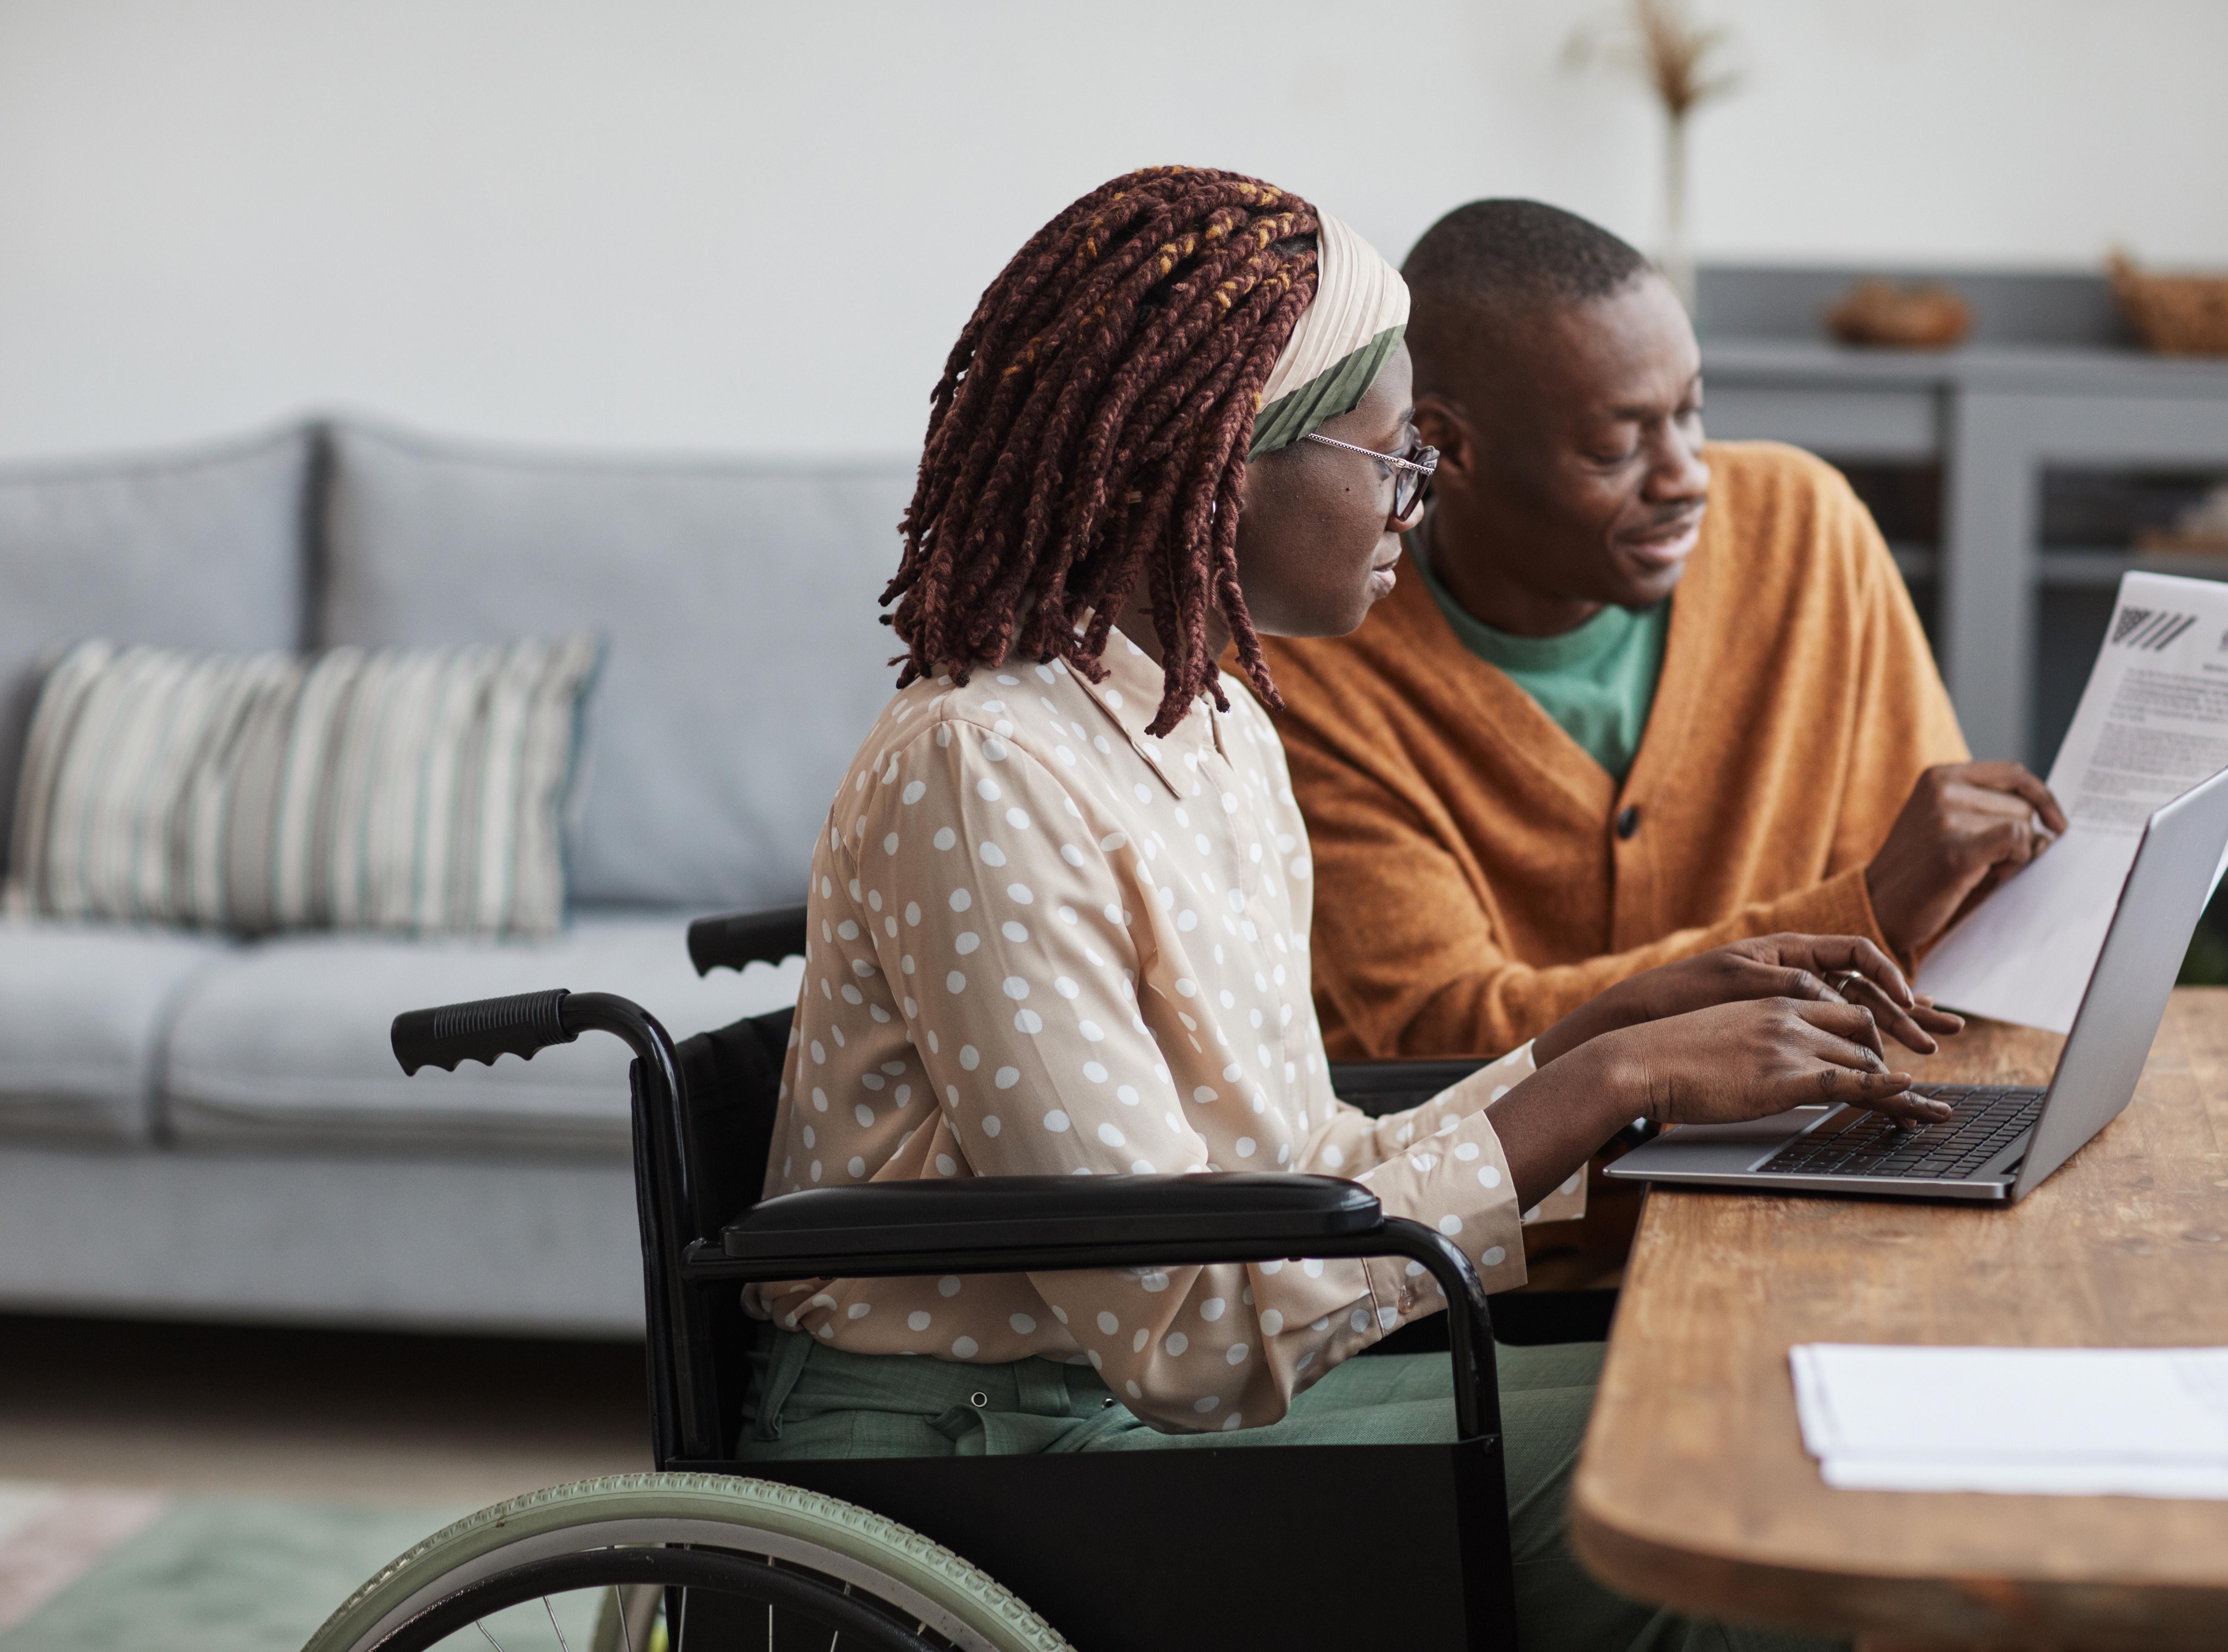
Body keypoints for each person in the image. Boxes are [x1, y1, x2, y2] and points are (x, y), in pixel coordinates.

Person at [742, 166, 1955, 1651]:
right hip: (1007, 1444)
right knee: (1744, 1490)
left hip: (1150, 1397)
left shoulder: (1215, 722)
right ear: (1219, 467)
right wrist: (1609, 1083)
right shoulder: (983, 771)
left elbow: (1300, 1169)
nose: (1420, 498)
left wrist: (1606, 1038)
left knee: (1777, 1405)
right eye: (1395, 459)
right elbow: (1178, 1327)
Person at [1259, 199, 2067, 1064]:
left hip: (1811, 1139)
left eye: (1691, 412)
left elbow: (1946, 932)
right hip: (1506, 1195)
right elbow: (1444, 1037)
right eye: (1616, 449)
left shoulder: (1803, 529)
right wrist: (1860, 914)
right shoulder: (1308, 662)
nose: (1686, 478)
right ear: (1452, 449)